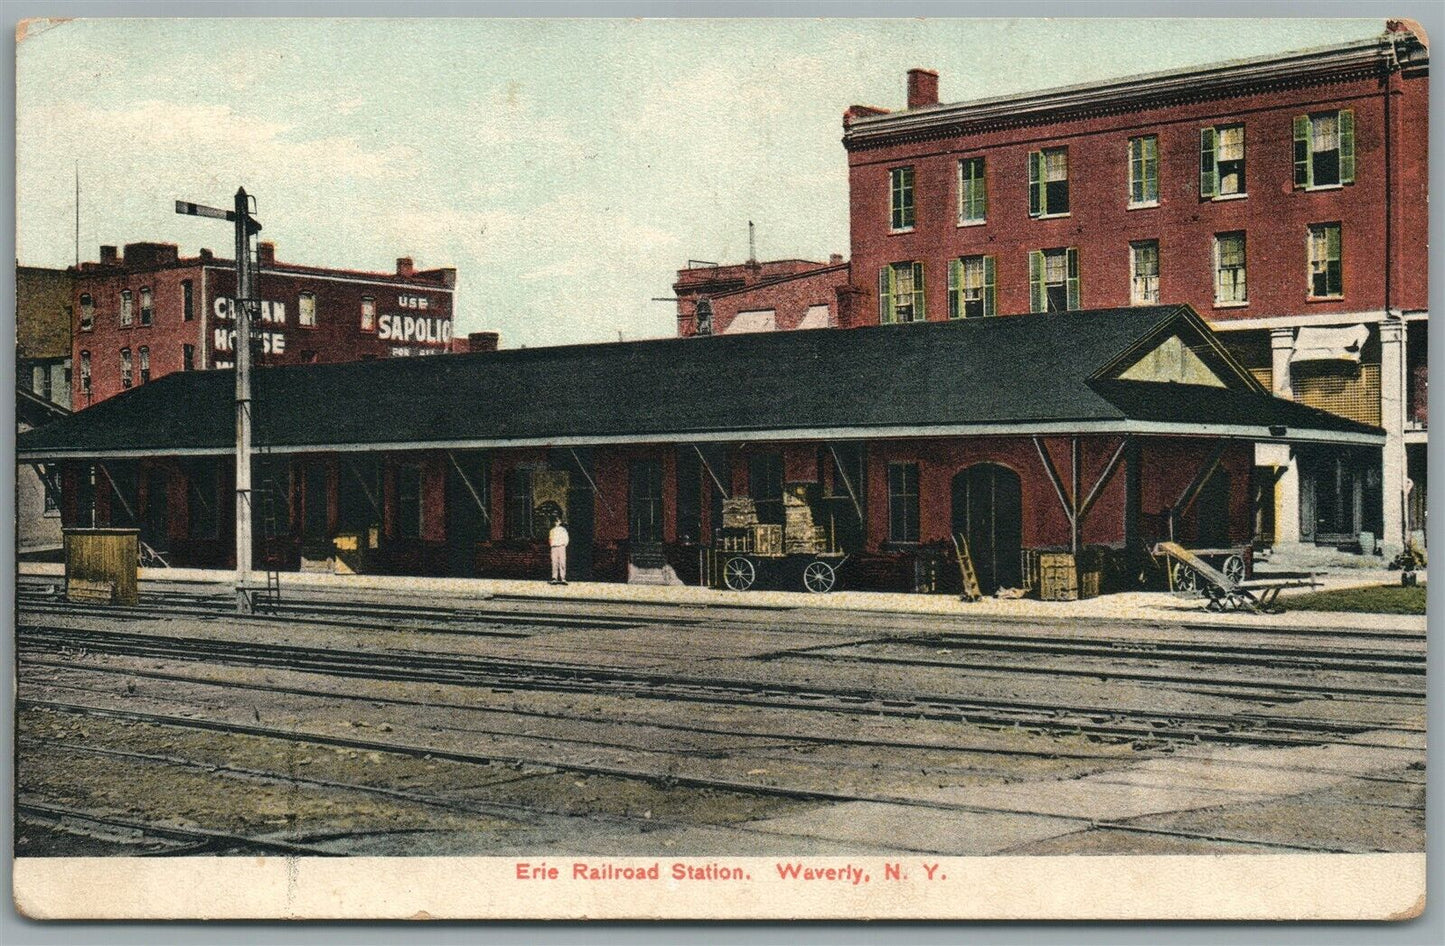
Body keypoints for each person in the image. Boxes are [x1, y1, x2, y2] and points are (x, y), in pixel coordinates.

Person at [548, 517, 569, 585]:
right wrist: (552, 545)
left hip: (561, 547)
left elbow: (566, 538)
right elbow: (550, 538)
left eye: (558, 521)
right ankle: (554, 578)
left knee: (562, 562)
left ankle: (563, 578)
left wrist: (563, 545)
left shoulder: (563, 530)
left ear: (560, 522)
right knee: (554, 562)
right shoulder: (552, 530)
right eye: (555, 521)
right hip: (554, 547)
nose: (556, 522)